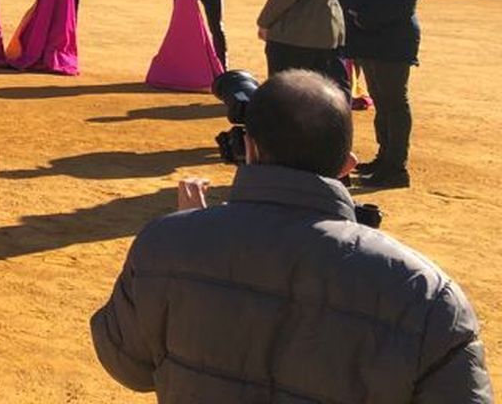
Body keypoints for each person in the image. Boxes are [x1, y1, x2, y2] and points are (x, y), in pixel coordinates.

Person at [91, 70, 492, 402]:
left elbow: (127, 363)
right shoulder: (428, 295)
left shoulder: (168, 245)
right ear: (346, 165)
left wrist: (191, 241)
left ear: (248, 150)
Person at [343, 0, 437, 191]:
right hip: (371, 34)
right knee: (383, 101)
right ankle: (385, 159)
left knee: (394, 102)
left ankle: (396, 167)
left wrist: (365, 18)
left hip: (390, 35)